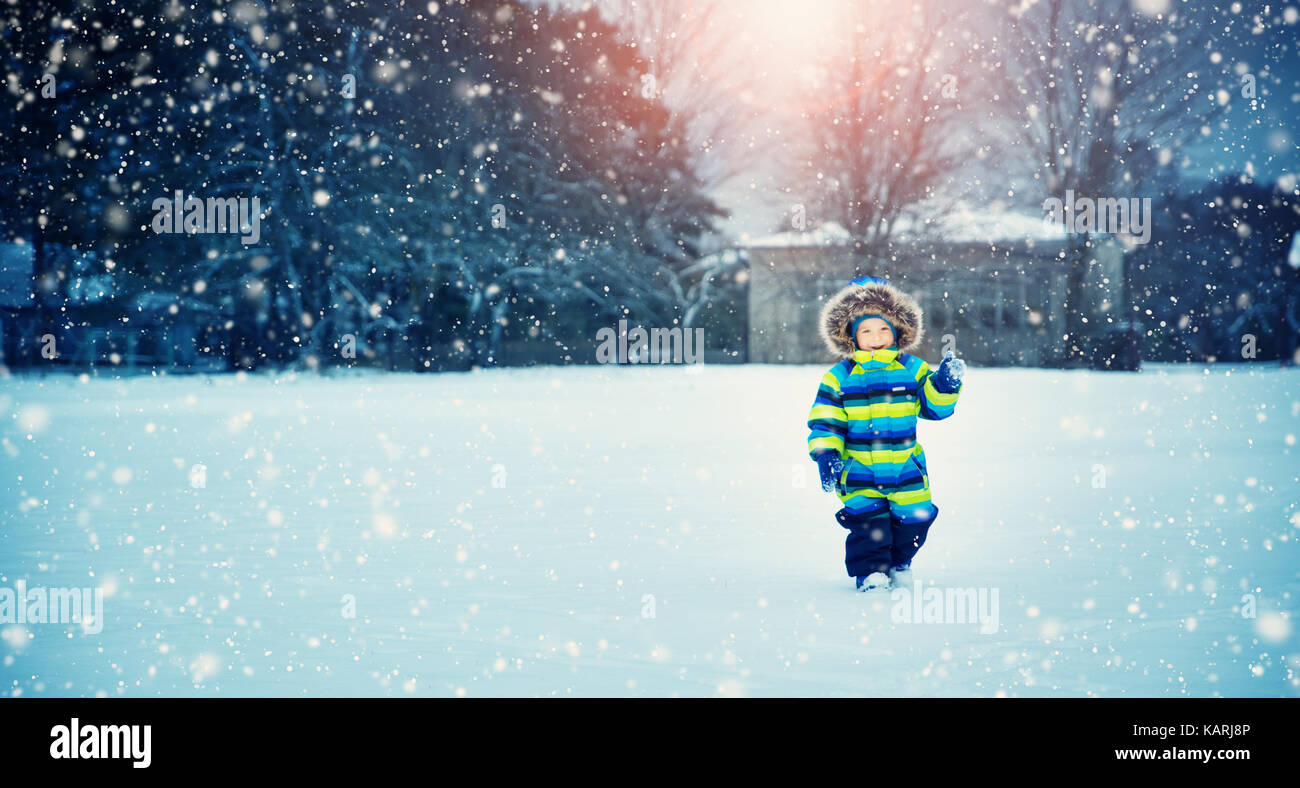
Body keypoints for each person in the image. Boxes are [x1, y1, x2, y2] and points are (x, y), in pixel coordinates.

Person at [805, 275, 966, 592]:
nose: (876, 336)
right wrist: (826, 456)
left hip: (907, 467)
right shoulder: (839, 376)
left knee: (916, 519)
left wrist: (945, 385)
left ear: (897, 331)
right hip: (859, 468)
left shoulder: (912, 368)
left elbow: (933, 408)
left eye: (883, 329)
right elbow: (826, 418)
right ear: (851, 336)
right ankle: (871, 573)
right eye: (866, 330)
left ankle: (900, 562)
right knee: (868, 523)